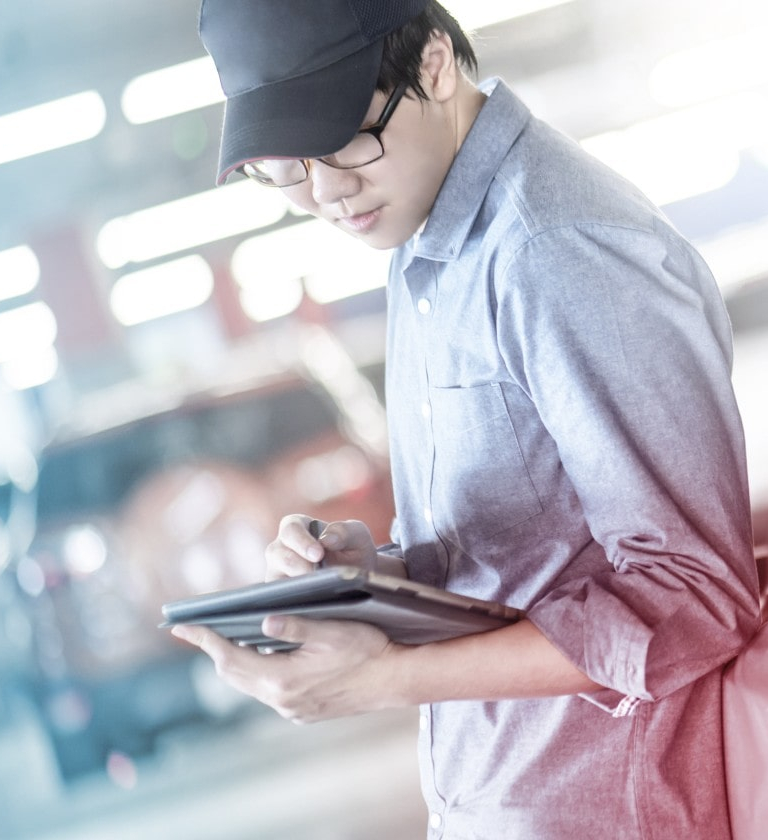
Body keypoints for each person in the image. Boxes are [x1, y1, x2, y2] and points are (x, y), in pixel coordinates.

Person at [171, 1, 762, 837]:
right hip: (497, 794)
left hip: (605, 808)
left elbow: (697, 598)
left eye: (342, 140)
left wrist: (381, 680)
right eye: (287, 168)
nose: (327, 190)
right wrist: (377, 572)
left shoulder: (555, 248)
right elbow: (526, 554)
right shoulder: (421, 239)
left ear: (437, 65)